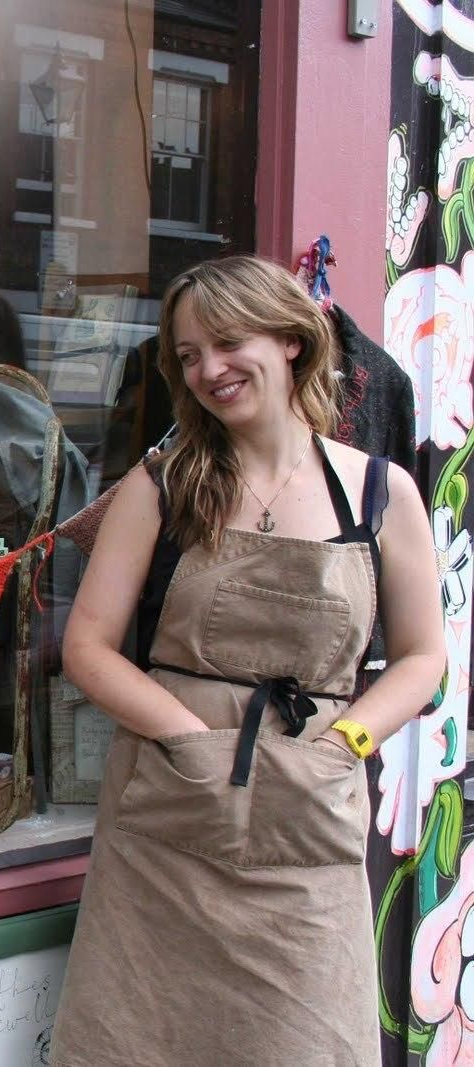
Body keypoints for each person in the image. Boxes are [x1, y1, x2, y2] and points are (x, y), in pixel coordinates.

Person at [50, 256, 443, 1066]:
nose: (208, 371)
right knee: (141, 1039)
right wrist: (191, 738)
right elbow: (86, 645)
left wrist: (347, 743)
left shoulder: (380, 494)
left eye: (227, 343)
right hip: (168, 817)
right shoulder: (160, 487)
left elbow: (422, 657)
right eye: (189, 355)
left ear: (293, 341)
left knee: (306, 1040)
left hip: (307, 807)